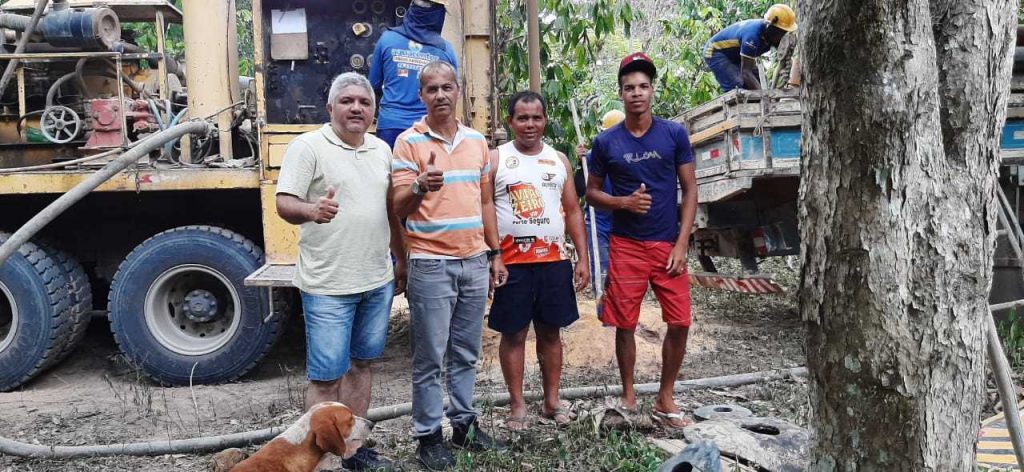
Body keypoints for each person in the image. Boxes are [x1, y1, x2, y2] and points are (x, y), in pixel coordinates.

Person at [275, 72, 404, 471]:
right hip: (328, 284)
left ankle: (354, 451)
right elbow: (283, 203)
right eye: (347, 101)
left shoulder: (382, 150)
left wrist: (402, 259)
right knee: (326, 377)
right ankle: (313, 457)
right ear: (330, 108)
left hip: (376, 280)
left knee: (362, 365)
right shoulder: (308, 147)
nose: (356, 108)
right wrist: (312, 210)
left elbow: (390, 211)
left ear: (373, 112)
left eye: (364, 103)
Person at [390, 60, 507, 470]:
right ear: (421, 96)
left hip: (474, 261)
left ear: (458, 91)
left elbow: (486, 202)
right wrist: (420, 185)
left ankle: (464, 427)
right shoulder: (408, 143)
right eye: (431, 89)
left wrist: (494, 254)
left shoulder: (478, 143)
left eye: (447, 87)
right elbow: (398, 206)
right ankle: (427, 436)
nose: (440, 95)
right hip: (431, 263)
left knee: (466, 352)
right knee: (429, 357)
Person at [585, 52, 699, 429]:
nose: (637, 93)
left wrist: (682, 243)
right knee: (625, 323)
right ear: (620, 94)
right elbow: (592, 193)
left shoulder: (673, 134)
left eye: (643, 87)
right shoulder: (606, 142)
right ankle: (629, 393)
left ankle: (666, 397)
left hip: (667, 244)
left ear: (652, 91)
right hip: (626, 245)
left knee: (680, 321)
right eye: (630, 87)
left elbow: (690, 188)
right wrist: (624, 202)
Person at [489, 91, 590, 430]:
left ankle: (551, 400)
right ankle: (517, 406)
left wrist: (582, 259)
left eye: (536, 117)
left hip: (554, 262)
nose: (529, 124)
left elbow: (573, 210)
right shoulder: (495, 159)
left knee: (551, 333)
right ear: (511, 121)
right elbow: (485, 209)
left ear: (545, 120)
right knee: (514, 334)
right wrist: (495, 256)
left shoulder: (558, 160)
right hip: (512, 264)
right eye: (522, 118)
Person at [370, 0, 458, 149]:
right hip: (429, 128)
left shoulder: (387, 39)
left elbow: (373, 84)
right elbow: (452, 92)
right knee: (429, 171)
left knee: (394, 172)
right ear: (436, 15)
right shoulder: (446, 50)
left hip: (391, 126)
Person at [574, 109, 625, 293]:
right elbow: (580, 189)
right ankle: (604, 312)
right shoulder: (592, 156)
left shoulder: (631, 156)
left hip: (623, 224)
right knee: (602, 271)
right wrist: (581, 164)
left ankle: (621, 313)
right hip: (599, 224)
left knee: (623, 272)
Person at [702, 4, 797, 92]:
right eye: (780, 32)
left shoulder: (772, 36)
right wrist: (764, 96)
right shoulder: (752, 36)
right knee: (737, 85)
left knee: (759, 82)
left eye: (784, 32)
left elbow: (784, 59)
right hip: (715, 52)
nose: (782, 36)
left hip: (736, 55)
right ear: (770, 27)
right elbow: (746, 72)